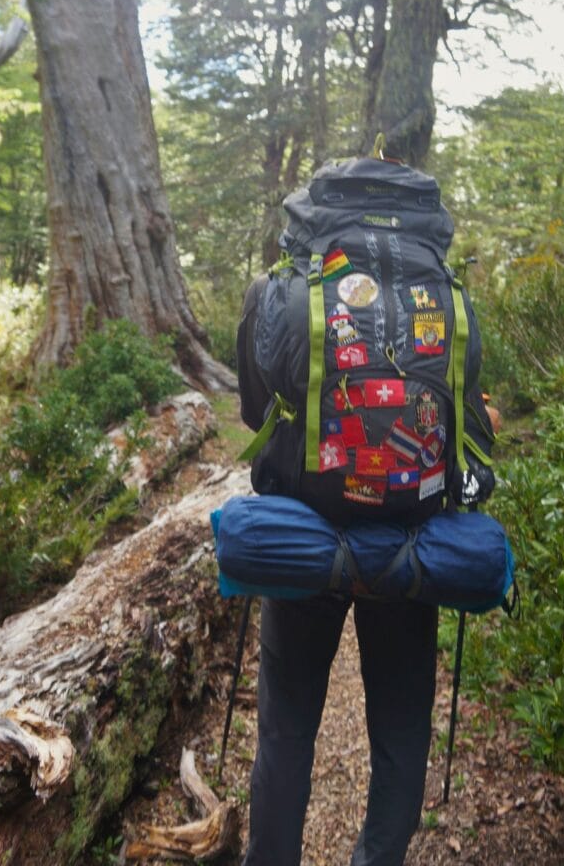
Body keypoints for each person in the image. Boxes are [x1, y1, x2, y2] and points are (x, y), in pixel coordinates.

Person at [236, 277, 439, 866]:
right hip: (409, 537)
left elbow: (254, 412)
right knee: (402, 735)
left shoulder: (287, 289)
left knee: (285, 733)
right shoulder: (441, 291)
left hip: (306, 536)